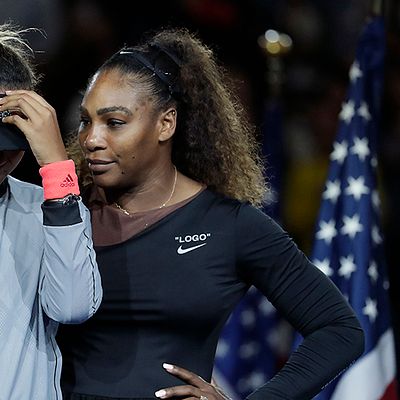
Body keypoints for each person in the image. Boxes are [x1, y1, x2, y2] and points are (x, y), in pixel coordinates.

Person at [57, 27, 364, 400]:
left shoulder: (229, 225)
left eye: (114, 122)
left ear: (166, 123)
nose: (91, 139)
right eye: (86, 121)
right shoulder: (63, 214)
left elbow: (339, 329)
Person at [0, 24, 102, 399]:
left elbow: (72, 306)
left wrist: (58, 166)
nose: (1, 155)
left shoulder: (48, 207)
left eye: (12, 140)